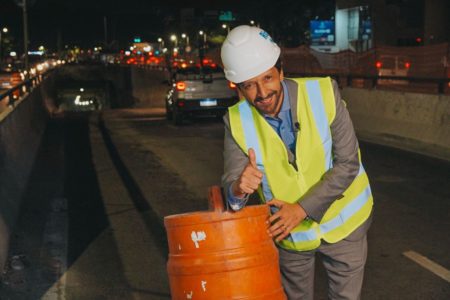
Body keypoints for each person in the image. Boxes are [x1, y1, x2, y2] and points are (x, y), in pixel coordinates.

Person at [220, 25, 373, 300]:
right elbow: (232, 197)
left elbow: (348, 163)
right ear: (239, 87)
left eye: (267, 78)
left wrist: (301, 210)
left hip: (345, 224)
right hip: (290, 237)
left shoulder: (325, 93)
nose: (261, 93)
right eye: (249, 85)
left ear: (281, 70)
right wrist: (239, 188)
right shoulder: (235, 122)